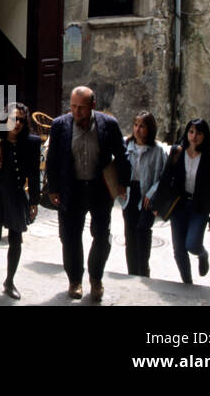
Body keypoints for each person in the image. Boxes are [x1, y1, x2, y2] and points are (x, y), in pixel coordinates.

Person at [46, 86, 131, 300]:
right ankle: (75, 280)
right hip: (71, 188)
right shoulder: (60, 125)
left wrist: (122, 182)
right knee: (69, 237)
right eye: (73, 106)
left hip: (99, 188)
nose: (76, 111)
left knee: (102, 236)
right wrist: (53, 188)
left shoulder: (108, 124)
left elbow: (122, 154)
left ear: (92, 106)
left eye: (81, 107)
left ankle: (96, 278)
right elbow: (53, 159)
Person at [0, 101, 41, 299]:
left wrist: (34, 202)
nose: (18, 123)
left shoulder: (31, 142)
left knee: (16, 239)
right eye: (14, 119)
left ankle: (9, 281)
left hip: (17, 194)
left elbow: (34, 174)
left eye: (21, 119)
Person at [156, 118, 210, 284]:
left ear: (204, 136)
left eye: (198, 133)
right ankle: (187, 283)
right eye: (191, 132)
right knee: (178, 250)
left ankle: (202, 254)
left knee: (192, 244)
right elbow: (165, 177)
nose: (194, 136)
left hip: (199, 207)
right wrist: (157, 203)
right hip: (179, 205)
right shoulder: (177, 152)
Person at [122, 110, 168, 276]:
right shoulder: (126, 145)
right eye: (135, 125)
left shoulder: (158, 150)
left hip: (148, 194)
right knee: (130, 232)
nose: (138, 129)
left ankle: (143, 268)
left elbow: (164, 176)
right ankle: (132, 271)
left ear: (150, 129)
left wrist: (152, 192)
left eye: (142, 126)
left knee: (143, 229)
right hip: (130, 192)